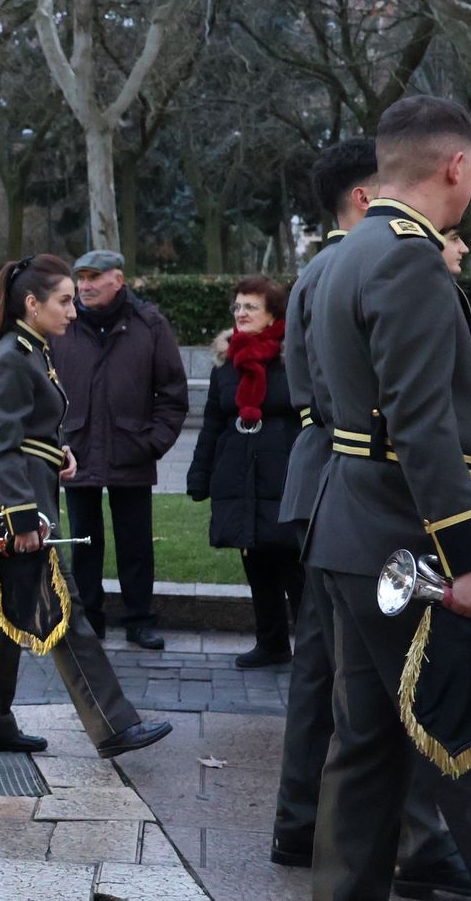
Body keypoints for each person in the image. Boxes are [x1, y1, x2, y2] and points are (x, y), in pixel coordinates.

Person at [306, 95, 471, 901]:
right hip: (407, 540)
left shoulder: (351, 252)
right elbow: (424, 429)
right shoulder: (409, 259)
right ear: (457, 166)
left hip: (352, 530)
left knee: (367, 752)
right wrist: (470, 563)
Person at [269, 139, 470, 895]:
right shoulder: (380, 260)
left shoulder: (322, 265)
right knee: (395, 690)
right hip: (361, 489)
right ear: (367, 196)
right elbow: (402, 408)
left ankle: (299, 822)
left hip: (322, 486)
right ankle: (418, 842)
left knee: (330, 674)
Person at [0, 254, 172, 760]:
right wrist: (21, 515)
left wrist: (57, 451)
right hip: (16, 506)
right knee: (63, 610)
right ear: (32, 305)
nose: (73, 311)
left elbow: (27, 430)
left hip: (27, 495)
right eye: (63, 301)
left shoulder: (30, 350)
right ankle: (112, 724)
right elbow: (1, 442)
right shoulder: (13, 356)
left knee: (2, 615)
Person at [50, 249, 187, 649]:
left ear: (118, 280)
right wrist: (57, 445)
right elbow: (44, 386)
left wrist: (152, 443)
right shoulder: (62, 322)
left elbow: (172, 393)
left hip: (132, 451)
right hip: (77, 453)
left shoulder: (149, 324)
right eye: (81, 278)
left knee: (136, 543)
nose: (86, 286)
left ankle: (140, 620)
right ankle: (89, 619)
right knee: (84, 543)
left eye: (95, 277)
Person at [185, 278, 303, 669]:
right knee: (256, 562)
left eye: (250, 307)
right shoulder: (226, 363)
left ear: (273, 314)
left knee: (293, 564)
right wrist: (199, 476)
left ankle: (312, 648)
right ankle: (270, 643)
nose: (241, 314)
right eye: (237, 307)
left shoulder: (295, 358)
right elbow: (213, 424)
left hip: (284, 475)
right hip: (239, 474)